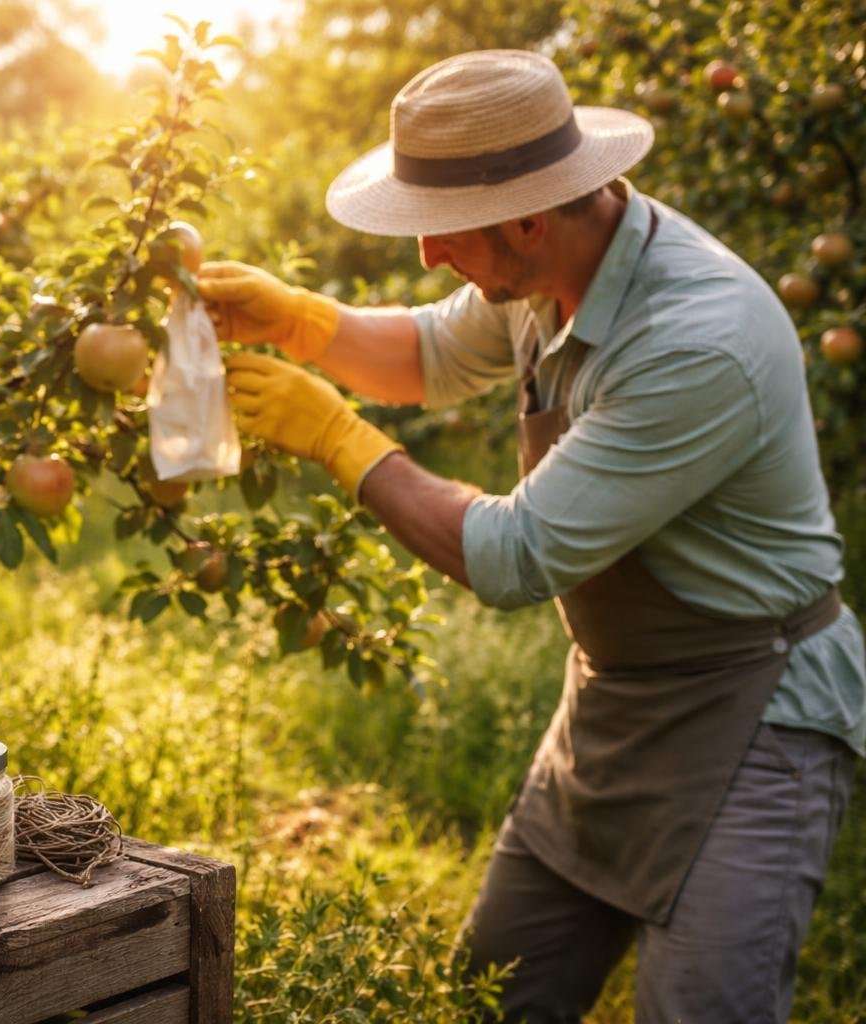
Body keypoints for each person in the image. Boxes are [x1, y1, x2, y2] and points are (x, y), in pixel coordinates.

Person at [199, 49, 864, 1023]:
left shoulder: (694, 338)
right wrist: (303, 322)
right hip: (613, 703)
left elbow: (512, 557)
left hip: (753, 715)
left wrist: (336, 435)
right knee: (492, 998)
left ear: (527, 216)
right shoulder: (556, 270)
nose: (426, 256)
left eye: (441, 231)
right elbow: (430, 353)